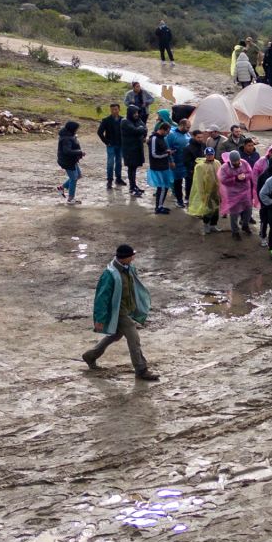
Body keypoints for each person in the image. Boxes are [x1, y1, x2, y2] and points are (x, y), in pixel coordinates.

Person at [82, 244, 159, 381]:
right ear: (125, 258)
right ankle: (141, 369)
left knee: (116, 335)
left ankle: (91, 355)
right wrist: (100, 319)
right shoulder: (110, 275)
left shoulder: (128, 269)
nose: (134, 257)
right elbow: (102, 298)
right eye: (131, 255)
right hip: (119, 312)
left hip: (126, 310)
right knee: (134, 339)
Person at [218, 150, 256, 239]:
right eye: (234, 161)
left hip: (245, 192)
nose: (236, 162)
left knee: (248, 210)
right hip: (233, 194)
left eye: (237, 160)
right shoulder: (224, 168)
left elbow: (250, 173)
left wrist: (244, 177)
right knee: (234, 213)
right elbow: (223, 180)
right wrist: (236, 178)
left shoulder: (244, 163)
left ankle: (245, 225)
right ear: (230, 160)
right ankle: (235, 231)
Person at [186, 147, 222, 234]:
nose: (210, 156)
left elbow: (220, 176)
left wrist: (221, 189)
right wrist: (202, 193)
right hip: (207, 191)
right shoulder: (200, 166)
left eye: (211, 155)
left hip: (216, 190)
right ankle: (206, 225)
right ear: (205, 155)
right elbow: (198, 181)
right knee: (208, 209)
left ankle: (213, 225)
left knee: (216, 209)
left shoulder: (217, 163)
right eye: (208, 155)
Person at [146, 122, 176, 215]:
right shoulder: (154, 138)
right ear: (163, 129)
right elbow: (154, 154)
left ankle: (160, 206)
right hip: (157, 167)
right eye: (167, 131)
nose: (167, 133)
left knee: (165, 187)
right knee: (162, 187)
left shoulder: (161, 138)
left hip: (163, 166)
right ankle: (158, 208)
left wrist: (168, 152)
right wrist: (167, 154)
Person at [120, 105, 147, 197]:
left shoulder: (137, 120)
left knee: (134, 168)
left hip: (137, 148)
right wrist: (140, 129)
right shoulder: (125, 121)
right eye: (134, 113)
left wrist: (141, 129)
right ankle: (132, 188)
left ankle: (134, 186)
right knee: (131, 168)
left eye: (137, 113)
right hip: (129, 149)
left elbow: (145, 128)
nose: (136, 114)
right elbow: (135, 131)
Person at [97, 103, 126, 189]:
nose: (114, 111)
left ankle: (118, 178)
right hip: (111, 145)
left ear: (119, 109)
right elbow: (99, 132)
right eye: (112, 109)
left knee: (119, 162)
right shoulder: (106, 120)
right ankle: (109, 180)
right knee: (110, 163)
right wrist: (106, 142)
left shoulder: (123, 120)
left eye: (116, 109)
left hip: (120, 144)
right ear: (110, 110)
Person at [56, 120, 85, 206]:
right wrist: (80, 152)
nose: (77, 130)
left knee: (78, 175)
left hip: (72, 160)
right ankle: (70, 199)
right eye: (76, 129)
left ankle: (61, 188)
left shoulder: (70, 135)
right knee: (74, 179)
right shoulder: (66, 138)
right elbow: (67, 151)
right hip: (67, 161)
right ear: (72, 129)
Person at [165, 118, 191, 209]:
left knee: (189, 181)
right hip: (176, 163)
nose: (189, 129)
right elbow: (168, 149)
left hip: (186, 163)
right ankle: (179, 200)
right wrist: (171, 161)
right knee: (178, 182)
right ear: (182, 126)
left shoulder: (187, 134)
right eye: (187, 127)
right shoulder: (172, 135)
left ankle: (188, 198)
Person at [180, 129, 207, 203]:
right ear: (194, 137)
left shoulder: (203, 145)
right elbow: (186, 161)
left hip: (202, 170)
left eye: (201, 137)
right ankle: (188, 198)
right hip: (191, 170)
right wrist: (196, 166)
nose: (200, 139)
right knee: (190, 185)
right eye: (198, 137)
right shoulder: (188, 148)